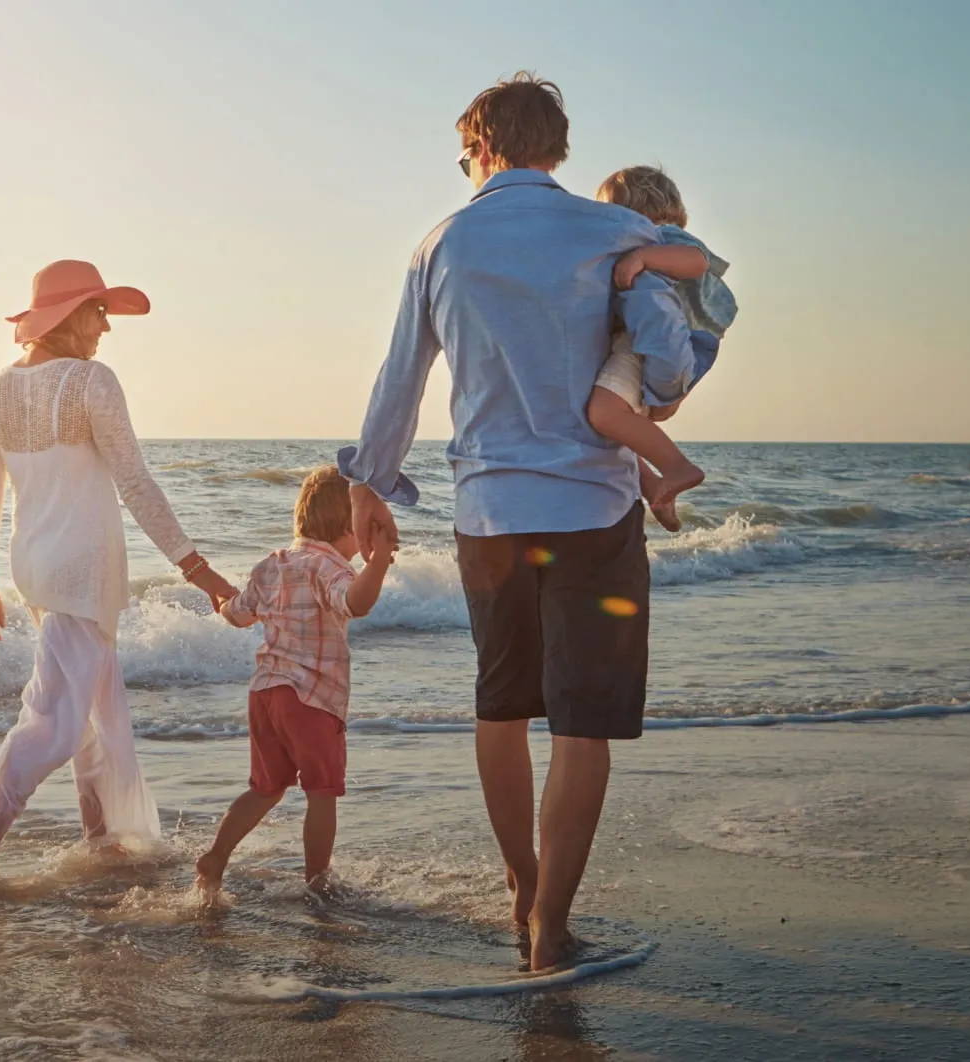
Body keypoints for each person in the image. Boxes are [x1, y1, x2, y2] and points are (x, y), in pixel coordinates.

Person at [338, 73, 699, 971]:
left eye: (466, 154)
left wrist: (369, 483)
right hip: (594, 511)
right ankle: (550, 931)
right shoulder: (617, 229)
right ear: (556, 148)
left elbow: (400, 380)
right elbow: (665, 356)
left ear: (485, 147)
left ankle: (520, 886)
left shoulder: (441, 243)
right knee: (582, 727)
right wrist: (655, 395)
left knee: (501, 709)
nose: (466, 168)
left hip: (491, 515)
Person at [0, 259, 237, 885]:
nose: (106, 327)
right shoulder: (91, 382)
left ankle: (101, 839)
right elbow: (135, 483)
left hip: (35, 568)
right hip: (83, 569)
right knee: (55, 721)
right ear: (68, 315)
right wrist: (199, 571)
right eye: (98, 311)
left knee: (93, 714)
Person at [193, 467, 396, 899]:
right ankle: (317, 883)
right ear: (349, 527)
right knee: (322, 793)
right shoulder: (330, 568)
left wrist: (221, 601)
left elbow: (238, 614)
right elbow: (355, 603)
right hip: (311, 699)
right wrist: (378, 563)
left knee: (264, 787)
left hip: (265, 693)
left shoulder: (272, 564)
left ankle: (216, 856)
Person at [586, 165, 740, 531]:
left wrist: (643, 258)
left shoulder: (663, 237)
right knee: (617, 426)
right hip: (660, 344)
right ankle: (654, 487)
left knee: (604, 414)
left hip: (651, 345)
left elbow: (697, 262)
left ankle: (676, 467)